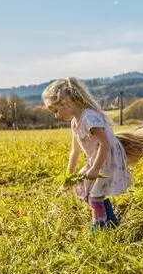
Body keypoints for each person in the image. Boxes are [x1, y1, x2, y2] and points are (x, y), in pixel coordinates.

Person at [42, 77, 131, 229]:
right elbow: (74, 152)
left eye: (56, 110)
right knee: (85, 189)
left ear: (66, 101)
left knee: (95, 197)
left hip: (108, 159)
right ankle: (111, 220)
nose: (56, 116)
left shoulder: (89, 118)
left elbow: (105, 144)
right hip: (97, 158)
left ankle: (100, 227)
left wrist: (95, 169)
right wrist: (68, 177)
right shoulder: (75, 122)